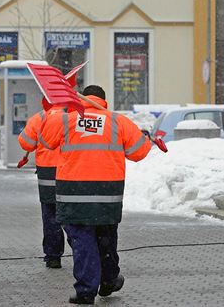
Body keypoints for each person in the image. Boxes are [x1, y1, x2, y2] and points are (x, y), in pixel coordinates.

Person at [40, 85, 152, 305]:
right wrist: (144, 137)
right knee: (106, 239)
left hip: (74, 194)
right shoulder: (118, 121)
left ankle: (86, 290)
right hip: (107, 194)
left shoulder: (66, 119)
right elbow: (139, 152)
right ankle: (109, 280)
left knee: (82, 240)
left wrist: (64, 114)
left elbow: (45, 142)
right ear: (104, 101)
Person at [18, 97, 65, 268]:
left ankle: (53, 256)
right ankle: (82, 251)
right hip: (70, 171)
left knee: (50, 213)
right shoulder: (73, 116)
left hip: (47, 172)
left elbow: (26, 142)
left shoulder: (40, 118)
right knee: (71, 215)